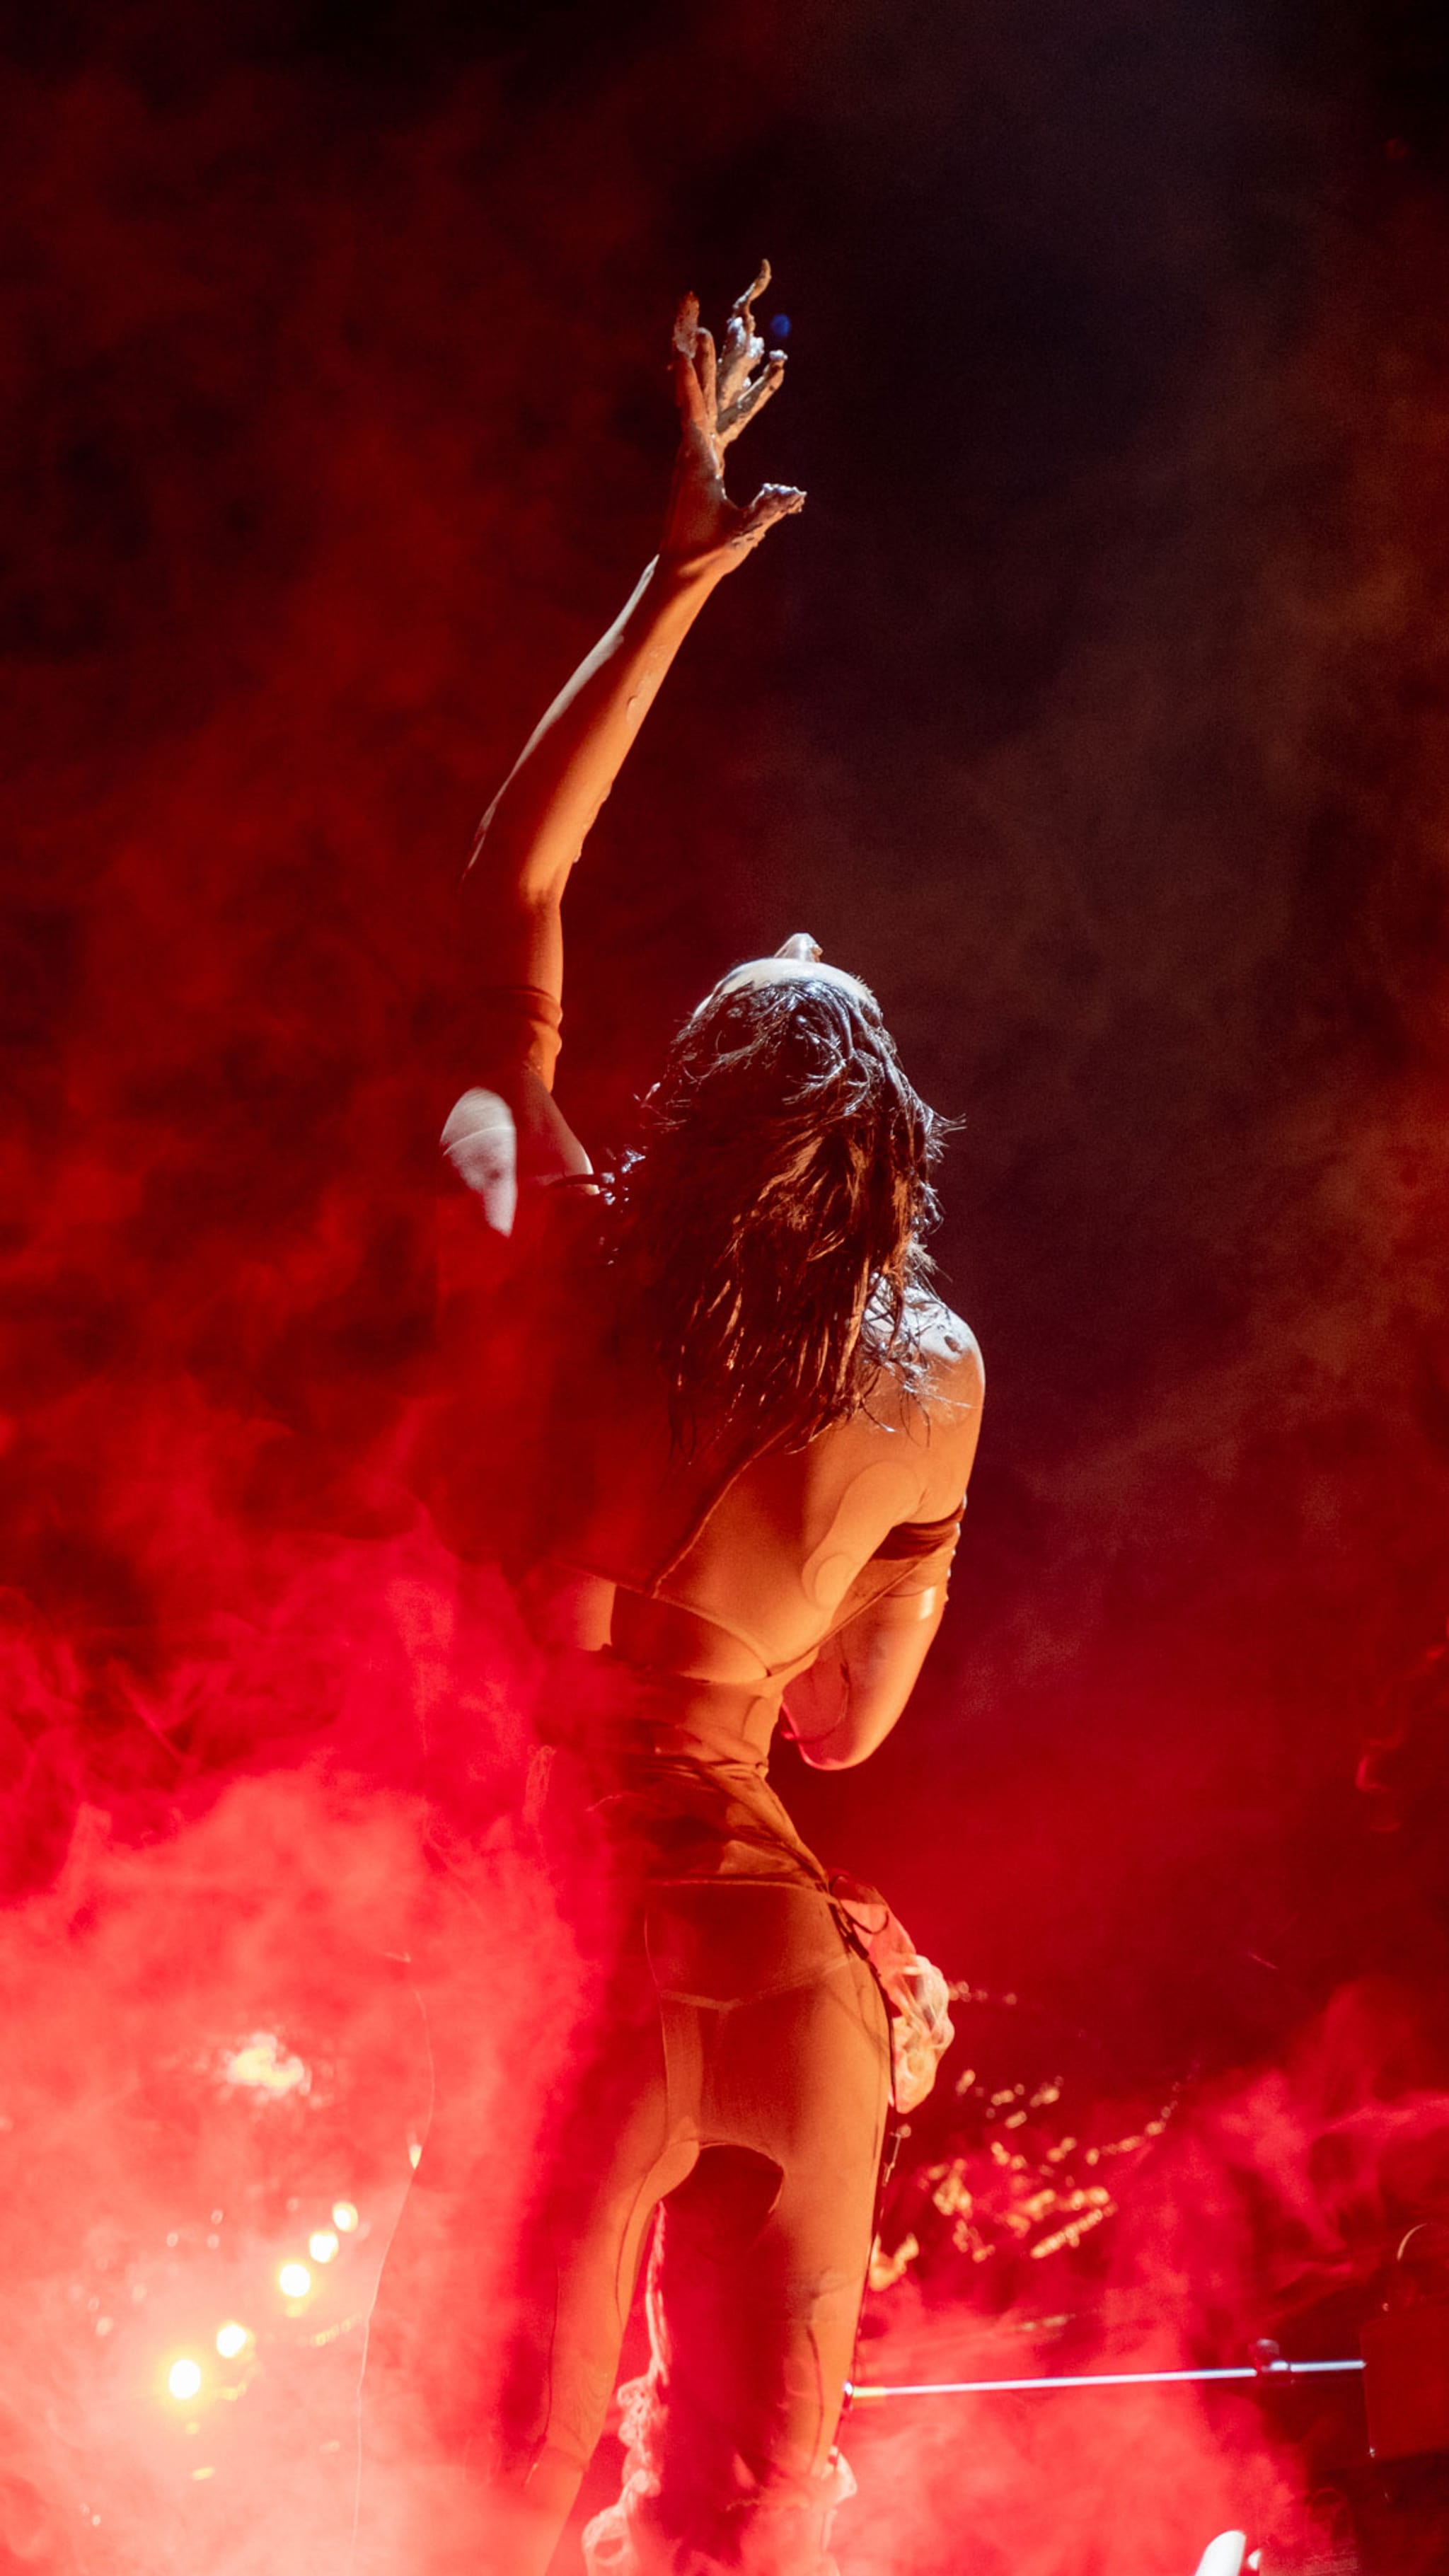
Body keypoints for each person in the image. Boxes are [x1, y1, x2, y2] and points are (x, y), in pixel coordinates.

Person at [359, 266, 984, 2576]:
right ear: (882, 1149)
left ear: (708, 1099)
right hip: (808, 2001)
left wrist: (673, 582)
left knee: (482, 2509)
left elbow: (511, 891)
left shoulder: (580, 1270)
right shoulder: (942, 1377)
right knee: (744, 2526)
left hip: (583, 1963)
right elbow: (839, 1732)